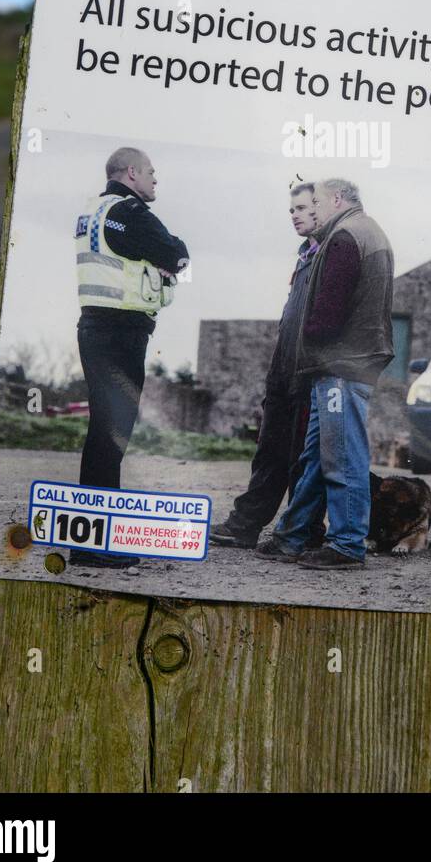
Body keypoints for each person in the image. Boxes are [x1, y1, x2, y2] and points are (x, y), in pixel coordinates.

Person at [257, 178, 394, 570]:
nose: (312, 209)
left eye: (316, 202)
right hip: (346, 363)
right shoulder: (367, 231)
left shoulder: (345, 236)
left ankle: (347, 544)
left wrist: (311, 338)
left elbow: (328, 311)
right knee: (319, 452)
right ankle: (293, 533)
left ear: (336, 199)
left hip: (340, 365)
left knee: (342, 453)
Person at [71, 146, 189, 569]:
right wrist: (171, 258)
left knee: (102, 433)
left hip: (95, 328)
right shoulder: (131, 212)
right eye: (152, 173)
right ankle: (95, 544)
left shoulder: (94, 210)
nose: (156, 181)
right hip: (120, 332)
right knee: (112, 435)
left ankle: (90, 536)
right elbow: (176, 254)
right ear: (132, 173)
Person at [210, 183, 324, 550]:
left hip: (307, 373)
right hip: (282, 371)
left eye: (303, 208)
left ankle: (303, 531)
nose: (295, 215)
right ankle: (245, 525)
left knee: (299, 458)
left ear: (321, 209)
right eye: (291, 209)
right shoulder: (304, 255)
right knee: (269, 450)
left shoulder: (328, 255)